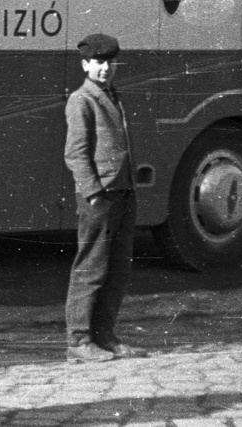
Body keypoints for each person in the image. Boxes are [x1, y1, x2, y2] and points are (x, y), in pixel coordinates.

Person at [63, 31, 148, 361]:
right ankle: (79, 341)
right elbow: (76, 153)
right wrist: (94, 193)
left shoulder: (113, 95)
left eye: (111, 63)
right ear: (85, 65)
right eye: (99, 63)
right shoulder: (81, 100)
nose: (105, 69)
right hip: (100, 197)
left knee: (117, 269)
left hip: (123, 192)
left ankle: (105, 336)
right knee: (91, 268)